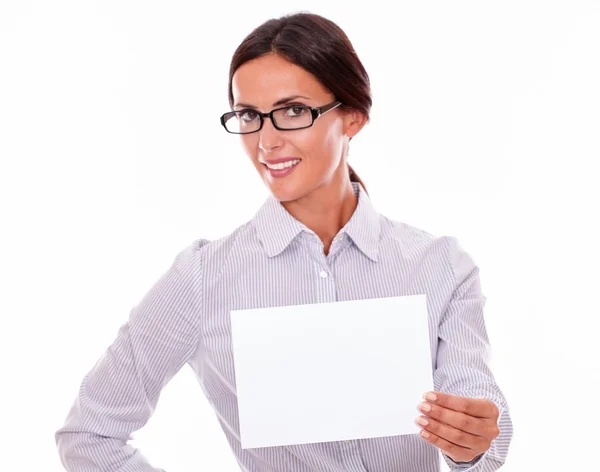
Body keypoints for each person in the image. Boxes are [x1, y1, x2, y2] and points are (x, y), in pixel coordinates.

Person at [55, 12, 513, 472]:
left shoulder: (441, 267)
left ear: (352, 117)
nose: (266, 141)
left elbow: (483, 432)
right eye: (249, 116)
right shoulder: (202, 278)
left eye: (293, 111)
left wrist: (471, 441)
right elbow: (90, 432)